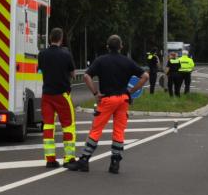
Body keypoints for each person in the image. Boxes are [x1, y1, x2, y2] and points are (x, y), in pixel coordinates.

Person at [68, 35, 148, 174]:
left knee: (96, 129)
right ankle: (115, 162)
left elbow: (86, 76)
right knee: (119, 130)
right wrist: (131, 91)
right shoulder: (127, 61)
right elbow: (145, 76)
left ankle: (84, 160)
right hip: (123, 99)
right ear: (121, 46)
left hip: (107, 99)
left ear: (107, 47)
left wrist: (95, 93)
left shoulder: (101, 60)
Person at [37, 28, 78, 168]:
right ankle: (69, 158)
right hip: (62, 95)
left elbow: (41, 70)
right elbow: (73, 74)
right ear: (61, 39)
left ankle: (50, 159)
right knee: (68, 126)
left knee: (48, 126)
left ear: (50, 39)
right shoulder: (66, 54)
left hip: (47, 94)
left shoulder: (42, 54)